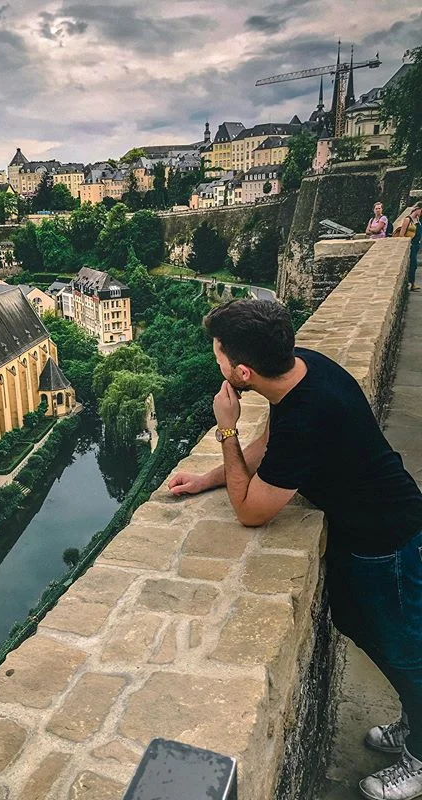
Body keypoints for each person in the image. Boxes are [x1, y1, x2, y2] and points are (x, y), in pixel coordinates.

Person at [169, 299, 422, 800]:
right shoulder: (303, 369)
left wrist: (224, 426)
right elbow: (266, 452)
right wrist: (206, 479)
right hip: (369, 531)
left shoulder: (310, 415)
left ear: (243, 371)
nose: (215, 363)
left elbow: (252, 510)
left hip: (387, 541)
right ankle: (414, 725)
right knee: (364, 629)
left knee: (406, 653)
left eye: (219, 356)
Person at [395, 203, 422, 291]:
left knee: (414, 265)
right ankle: (411, 283)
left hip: (416, 244)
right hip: (411, 245)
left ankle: (412, 283)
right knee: (413, 264)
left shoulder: (417, 219)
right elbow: (402, 234)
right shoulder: (407, 220)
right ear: (417, 209)